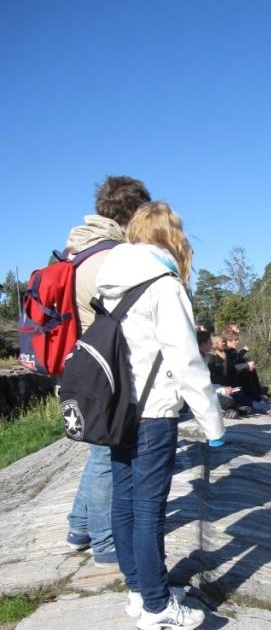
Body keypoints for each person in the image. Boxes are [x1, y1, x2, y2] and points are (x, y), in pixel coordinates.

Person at [96, 201, 225, 630]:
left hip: (118, 409)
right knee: (150, 510)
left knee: (125, 500)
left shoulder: (111, 279)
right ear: (173, 237)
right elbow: (186, 360)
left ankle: (138, 590)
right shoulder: (164, 284)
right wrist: (213, 423)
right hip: (154, 413)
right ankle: (156, 606)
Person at [66, 176, 151, 563]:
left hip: (83, 362)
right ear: (133, 213)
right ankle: (105, 543)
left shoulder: (82, 249)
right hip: (105, 367)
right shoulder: (111, 256)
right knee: (107, 454)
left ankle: (80, 526)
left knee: (99, 447)